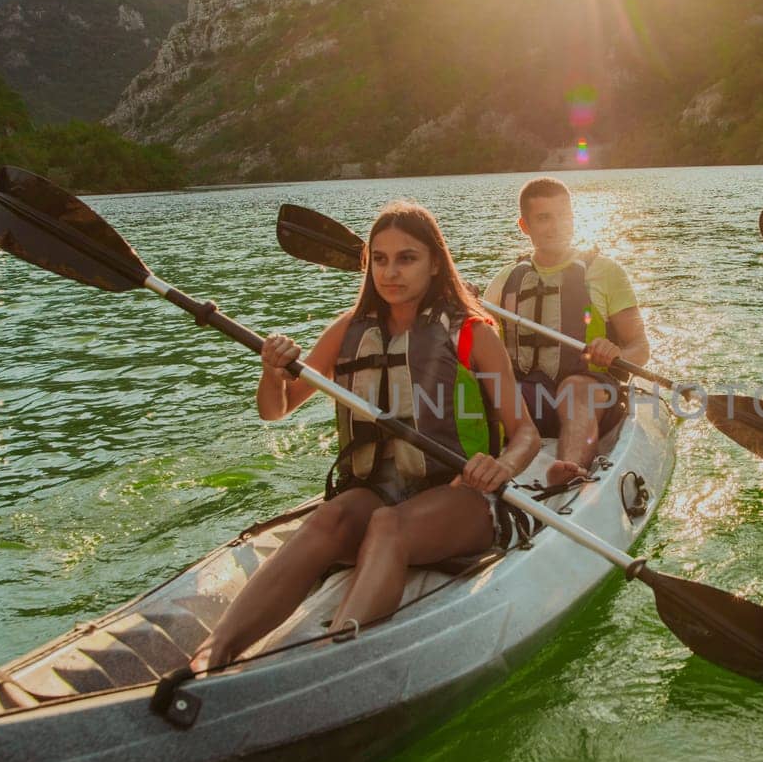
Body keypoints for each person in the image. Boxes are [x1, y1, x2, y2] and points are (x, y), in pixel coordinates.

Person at [192, 203, 541, 670]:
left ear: (436, 263)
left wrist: (501, 466)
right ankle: (212, 654)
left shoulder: (472, 334)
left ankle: (335, 656)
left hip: (462, 497)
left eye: (406, 258)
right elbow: (275, 410)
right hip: (380, 489)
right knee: (328, 518)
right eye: (380, 259)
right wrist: (271, 372)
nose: (390, 271)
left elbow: (525, 434)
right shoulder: (348, 330)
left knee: (387, 527)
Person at [482, 177, 650, 486]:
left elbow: (640, 346)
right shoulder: (506, 279)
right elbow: (478, 345)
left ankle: (568, 469)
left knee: (575, 387)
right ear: (525, 225)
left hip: (590, 392)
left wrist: (616, 354)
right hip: (527, 397)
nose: (556, 226)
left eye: (563, 215)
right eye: (543, 218)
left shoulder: (606, 272)